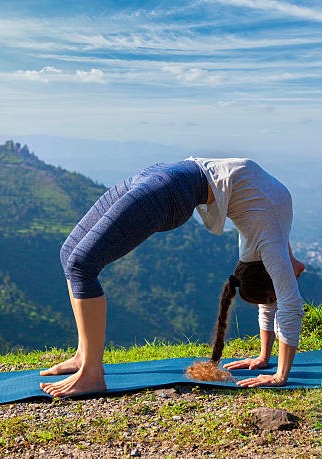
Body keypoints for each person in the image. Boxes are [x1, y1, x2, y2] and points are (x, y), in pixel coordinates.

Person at [40, 157, 306, 397]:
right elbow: (287, 301)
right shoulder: (269, 242)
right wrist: (277, 372)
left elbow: (277, 295)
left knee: (80, 263)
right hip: (165, 182)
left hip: (169, 180)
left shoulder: (270, 235)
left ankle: (91, 372)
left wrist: (266, 359)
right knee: (70, 255)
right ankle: (84, 357)